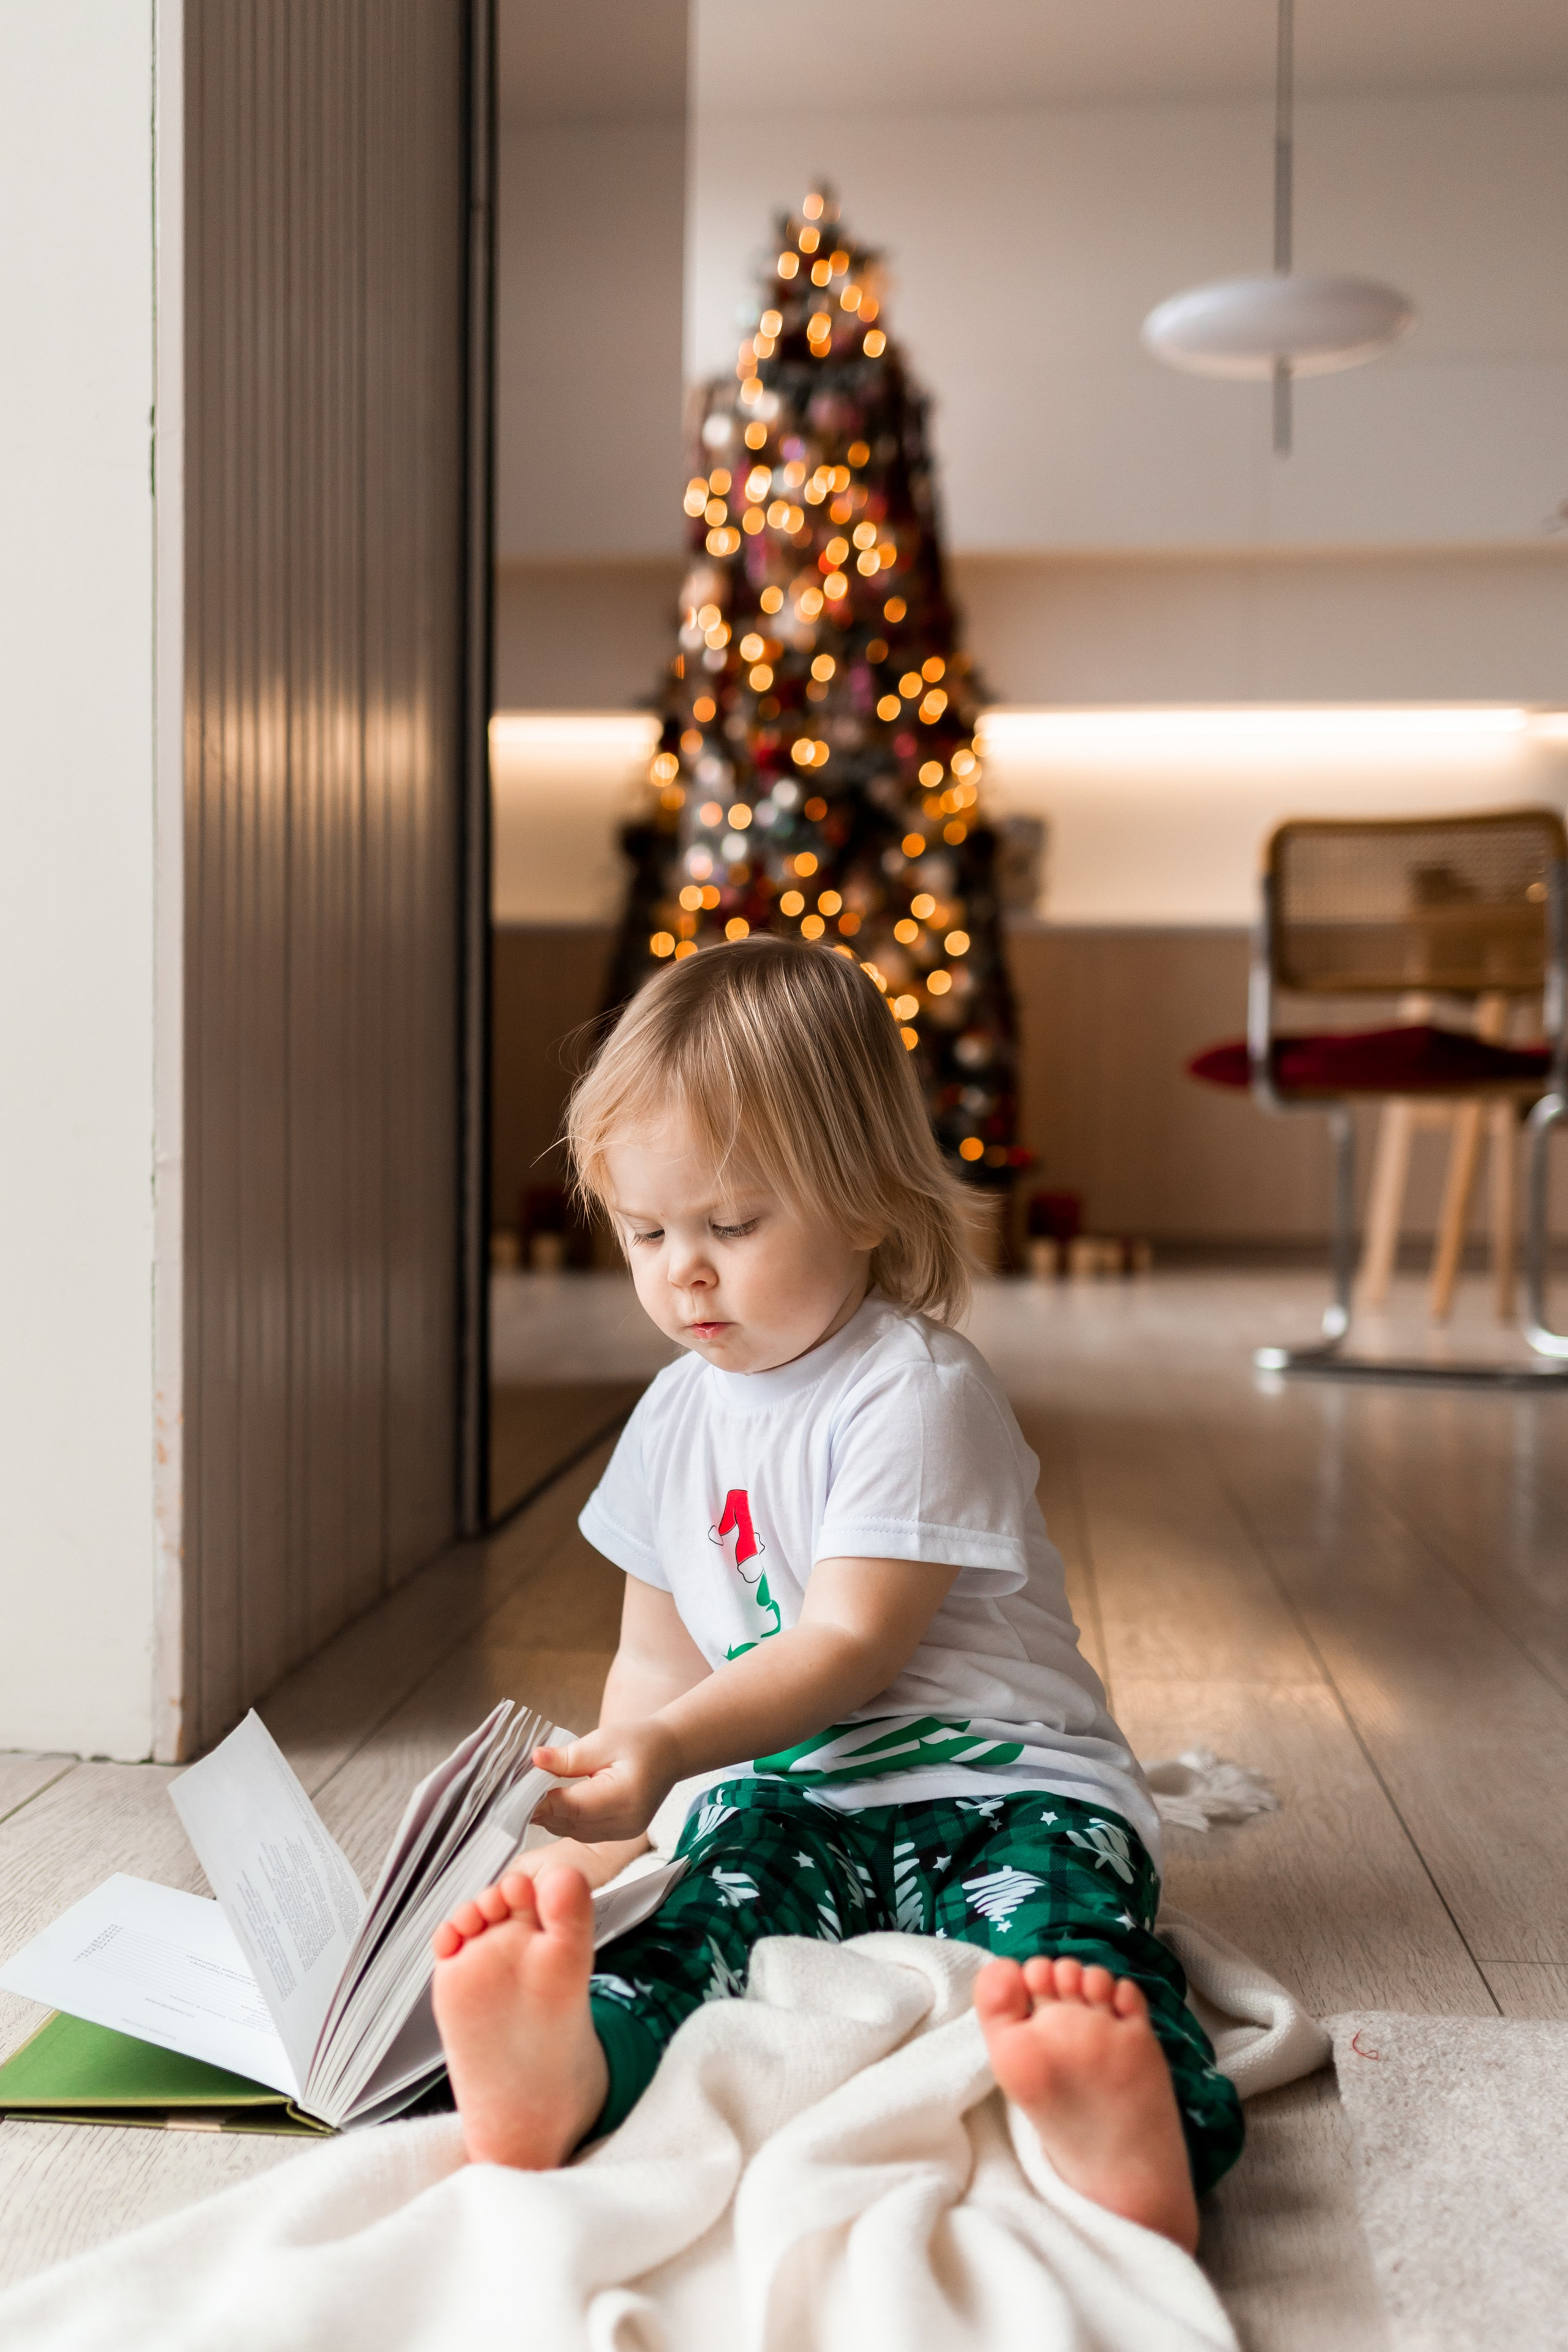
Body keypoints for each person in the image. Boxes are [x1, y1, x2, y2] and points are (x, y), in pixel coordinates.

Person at [431, 938, 1241, 2249]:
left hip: (1002, 1786)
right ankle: (575, 2069)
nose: (683, 1271)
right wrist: (595, 1837)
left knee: (1067, 1952)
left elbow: (851, 1642)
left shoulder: (912, 1390)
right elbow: (656, 1667)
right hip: (793, 1798)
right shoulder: (671, 1415)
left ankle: (1131, 2127)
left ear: (864, 1202)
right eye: (646, 1232)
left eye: (731, 1226)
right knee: (696, 1927)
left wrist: (668, 1749)